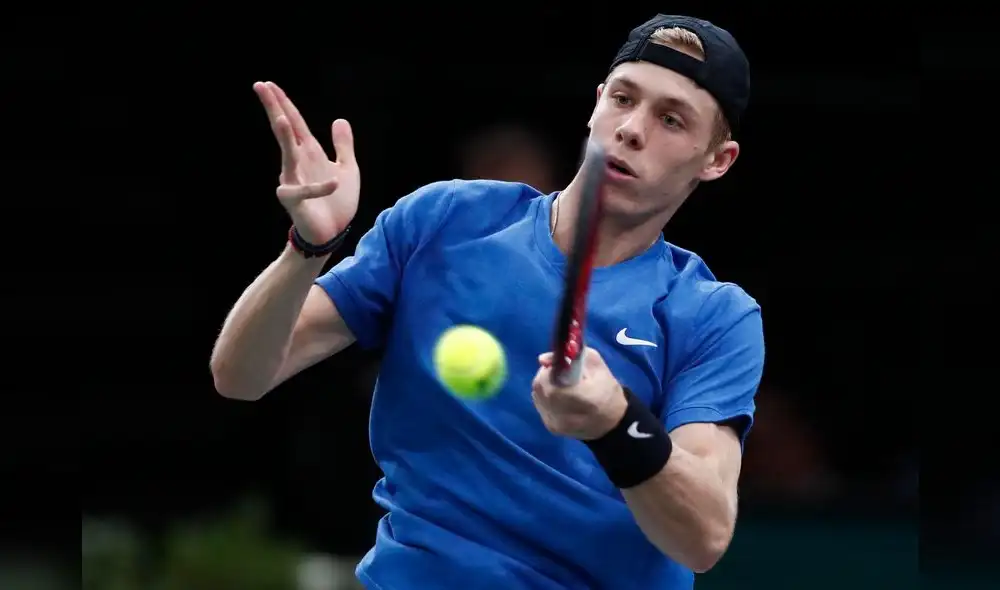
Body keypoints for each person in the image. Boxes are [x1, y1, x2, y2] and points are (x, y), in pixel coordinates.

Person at [211, 13, 763, 590]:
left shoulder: (714, 316)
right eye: (623, 98)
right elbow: (241, 375)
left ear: (716, 160)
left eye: (671, 119)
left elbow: (703, 537)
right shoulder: (445, 221)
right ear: (597, 102)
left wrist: (615, 423)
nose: (630, 129)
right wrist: (307, 249)